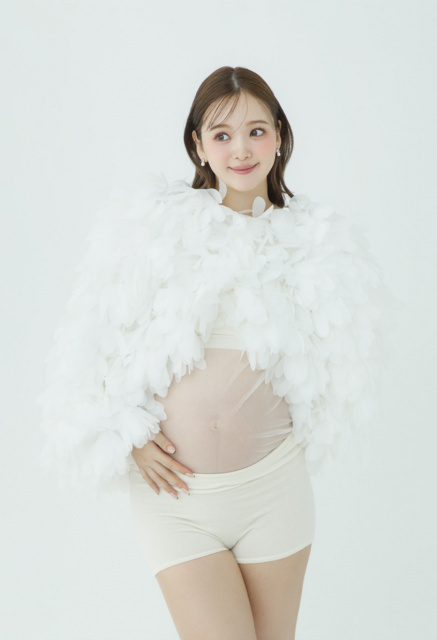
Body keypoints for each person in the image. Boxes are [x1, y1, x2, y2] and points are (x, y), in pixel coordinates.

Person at [37, 66, 398, 640]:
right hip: (176, 501)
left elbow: (338, 366)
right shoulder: (152, 231)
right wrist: (123, 433)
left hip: (275, 491)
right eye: (222, 134)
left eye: (256, 131)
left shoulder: (317, 244)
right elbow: (87, 349)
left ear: (279, 135)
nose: (241, 150)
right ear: (198, 146)